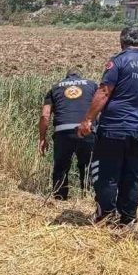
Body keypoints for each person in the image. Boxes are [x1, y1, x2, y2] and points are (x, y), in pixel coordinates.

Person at [77, 27, 138, 228]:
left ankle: (105, 215)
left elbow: (104, 92)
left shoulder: (117, 62)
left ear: (122, 42)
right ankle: (128, 220)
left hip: (114, 128)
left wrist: (88, 120)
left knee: (107, 173)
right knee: (132, 176)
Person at [39, 70, 97, 200]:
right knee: (88, 166)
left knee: (61, 167)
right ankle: (88, 198)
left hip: (62, 131)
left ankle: (59, 198)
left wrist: (42, 138)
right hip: (86, 130)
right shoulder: (92, 85)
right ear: (79, 77)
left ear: (66, 78)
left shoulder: (54, 88)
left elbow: (45, 115)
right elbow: (101, 105)